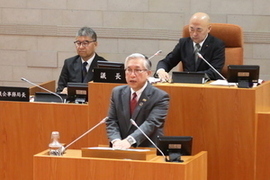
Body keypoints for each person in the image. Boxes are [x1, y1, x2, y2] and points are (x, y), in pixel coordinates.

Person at [106, 53, 170, 149]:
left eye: (137, 70)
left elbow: (151, 124)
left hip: (148, 150)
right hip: (120, 149)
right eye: (129, 70)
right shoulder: (117, 92)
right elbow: (111, 121)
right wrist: (116, 141)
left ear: (148, 73)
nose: (132, 75)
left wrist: (129, 141)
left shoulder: (160, 96)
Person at [156, 12, 225, 82]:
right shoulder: (184, 43)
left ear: (209, 29)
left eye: (199, 30)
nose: (194, 34)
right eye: (191, 29)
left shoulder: (217, 44)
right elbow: (167, 62)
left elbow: (215, 71)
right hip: (186, 85)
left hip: (208, 86)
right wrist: (161, 71)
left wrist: (192, 77)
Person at [57, 27, 107, 93]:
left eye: (85, 43)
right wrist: (63, 92)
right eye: (78, 43)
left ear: (95, 44)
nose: (81, 47)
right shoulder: (69, 63)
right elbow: (59, 90)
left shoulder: (104, 65)